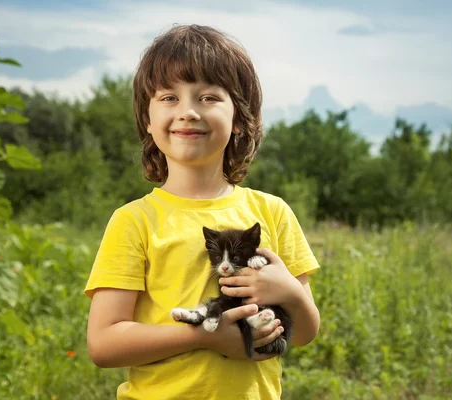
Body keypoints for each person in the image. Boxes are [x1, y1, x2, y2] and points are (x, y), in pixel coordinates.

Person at [84, 24, 320, 400]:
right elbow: (103, 343)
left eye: (208, 97)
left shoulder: (272, 213)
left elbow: (305, 333)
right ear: (148, 119)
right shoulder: (133, 221)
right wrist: (207, 336)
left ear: (240, 119)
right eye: (168, 98)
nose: (188, 112)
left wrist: (289, 291)